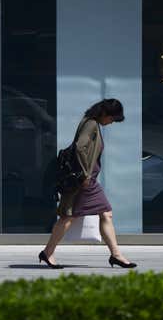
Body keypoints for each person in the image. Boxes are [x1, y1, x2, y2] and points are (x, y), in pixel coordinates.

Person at [39, 99, 136, 269]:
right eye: (112, 119)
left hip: (87, 181)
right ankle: (48, 253)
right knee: (70, 216)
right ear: (104, 113)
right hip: (84, 181)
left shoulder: (90, 122)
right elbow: (79, 147)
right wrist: (85, 174)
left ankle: (116, 255)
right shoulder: (91, 124)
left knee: (102, 213)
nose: (111, 123)